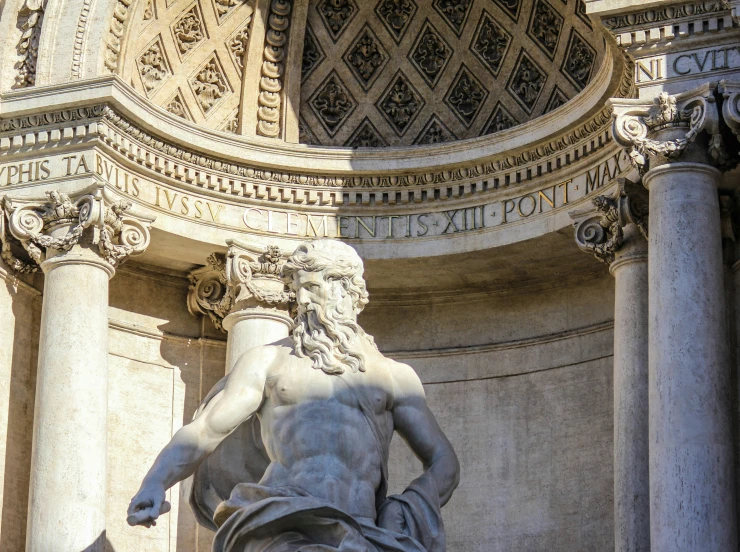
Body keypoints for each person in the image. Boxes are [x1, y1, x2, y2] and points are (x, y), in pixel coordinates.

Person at [128, 239, 460, 551]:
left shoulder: (393, 377)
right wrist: (155, 482)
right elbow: (206, 430)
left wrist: (408, 507)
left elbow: (443, 461)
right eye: (298, 291)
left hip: (360, 531)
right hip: (279, 523)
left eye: (312, 289)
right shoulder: (268, 360)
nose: (301, 302)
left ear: (345, 290)